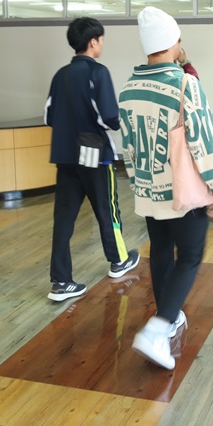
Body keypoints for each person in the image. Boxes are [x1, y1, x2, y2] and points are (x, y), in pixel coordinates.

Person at [119, 6, 213, 370]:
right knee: (192, 256)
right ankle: (158, 328)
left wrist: (139, 184)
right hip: (183, 194)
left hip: (149, 191)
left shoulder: (129, 87)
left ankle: (167, 315)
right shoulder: (185, 84)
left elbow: (128, 147)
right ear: (173, 42)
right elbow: (202, 142)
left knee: (162, 252)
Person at [44, 17, 140, 302]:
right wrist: (123, 121)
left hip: (65, 156)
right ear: (93, 42)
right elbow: (109, 117)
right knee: (107, 209)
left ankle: (61, 281)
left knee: (63, 219)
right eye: (101, 40)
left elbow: (49, 116)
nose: (102, 45)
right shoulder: (98, 72)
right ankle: (119, 260)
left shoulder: (60, 75)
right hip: (95, 155)